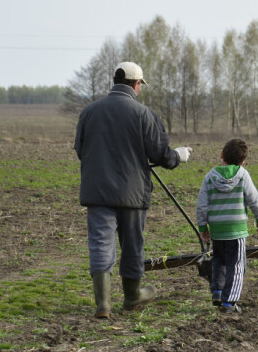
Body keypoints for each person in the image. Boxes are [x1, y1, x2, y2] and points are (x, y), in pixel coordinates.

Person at [74, 61, 192, 318]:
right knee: (132, 246)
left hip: (98, 193)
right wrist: (178, 156)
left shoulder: (89, 112)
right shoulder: (144, 114)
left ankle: (103, 304)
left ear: (115, 81)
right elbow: (161, 155)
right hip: (133, 194)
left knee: (100, 245)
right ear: (136, 84)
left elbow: (81, 150)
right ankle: (131, 297)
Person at [196, 138, 258, 314]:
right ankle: (230, 302)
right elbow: (253, 198)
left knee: (219, 260)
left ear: (222, 155)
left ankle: (218, 292)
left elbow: (202, 205)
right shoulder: (243, 174)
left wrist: (203, 227)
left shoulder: (210, 177)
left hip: (218, 230)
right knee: (236, 265)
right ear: (243, 161)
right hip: (237, 230)